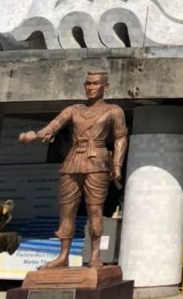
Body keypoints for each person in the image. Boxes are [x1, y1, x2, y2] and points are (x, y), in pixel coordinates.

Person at [19, 70, 128, 269]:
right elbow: (54, 125)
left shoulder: (114, 110)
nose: (90, 87)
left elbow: (121, 137)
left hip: (98, 162)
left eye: (95, 84)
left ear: (105, 87)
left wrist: (117, 165)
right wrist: (37, 135)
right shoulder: (74, 109)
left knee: (95, 209)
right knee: (66, 210)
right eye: (87, 83)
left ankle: (95, 255)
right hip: (73, 160)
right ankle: (63, 256)